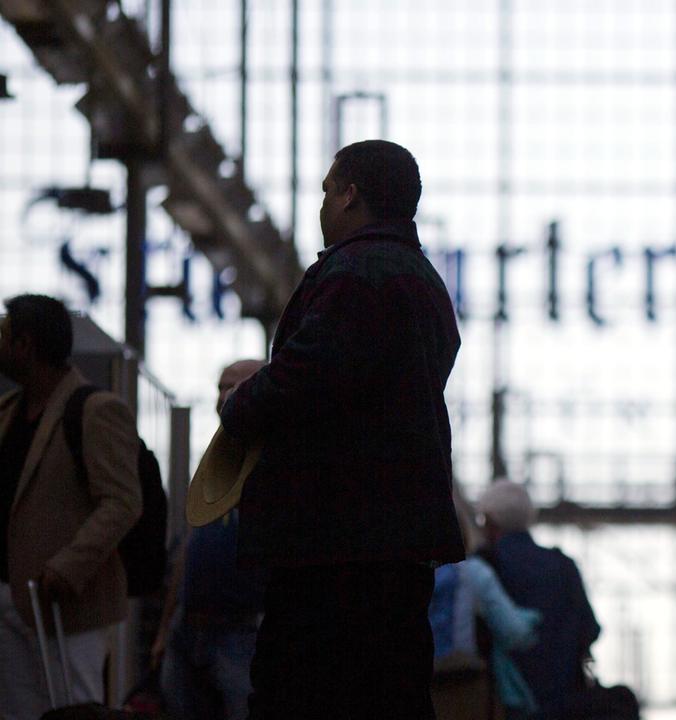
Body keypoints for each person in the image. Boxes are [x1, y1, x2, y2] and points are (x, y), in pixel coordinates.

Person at [220, 139, 465, 719]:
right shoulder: (425, 282)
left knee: (299, 691)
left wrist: (241, 401)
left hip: (332, 539)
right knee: (392, 693)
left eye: (328, 190)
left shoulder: (355, 273)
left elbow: (309, 375)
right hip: (396, 541)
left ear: (351, 194)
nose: (324, 204)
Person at [0, 294, 143, 720]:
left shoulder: (96, 409)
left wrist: (68, 566)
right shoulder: (8, 412)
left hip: (68, 605)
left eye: (4, 335)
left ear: (25, 345)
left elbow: (121, 501)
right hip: (9, 597)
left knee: (75, 711)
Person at [152, 359, 268, 720]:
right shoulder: (215, 463)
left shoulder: (277, 463)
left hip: (244, 631)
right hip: (190, 629)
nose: (224, 396)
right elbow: (190, 547)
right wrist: (164, 630)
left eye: (235, 386)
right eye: (220, 387)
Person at [475, 481, 602, 719]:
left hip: (505, 705)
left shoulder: (482, 568)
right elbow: (590, 629)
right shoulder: (563, 566)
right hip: (563, 705)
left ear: (490, 522)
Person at [430, 486, 542, 720]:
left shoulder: (409, 577)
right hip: (462, 683)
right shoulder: (474, 573)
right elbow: (514, 633)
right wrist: (530, 618)